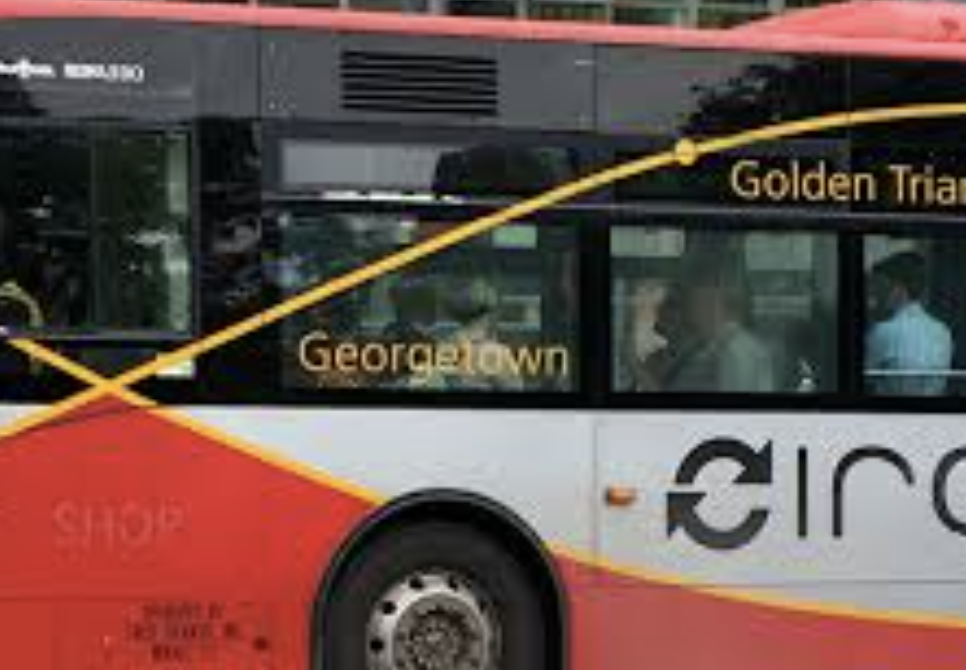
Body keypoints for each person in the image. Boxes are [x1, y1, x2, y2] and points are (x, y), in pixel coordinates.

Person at [664, 266, 775, 393]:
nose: (686, 310)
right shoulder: (707, 345)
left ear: (712, 303)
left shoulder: (735, 350)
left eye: (692, 300)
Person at [865, 251, 953, 396]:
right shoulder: (943, 331)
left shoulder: (883, 331)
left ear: (898, 289)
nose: (874, 296)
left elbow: (867, 380)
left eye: (880, 286)